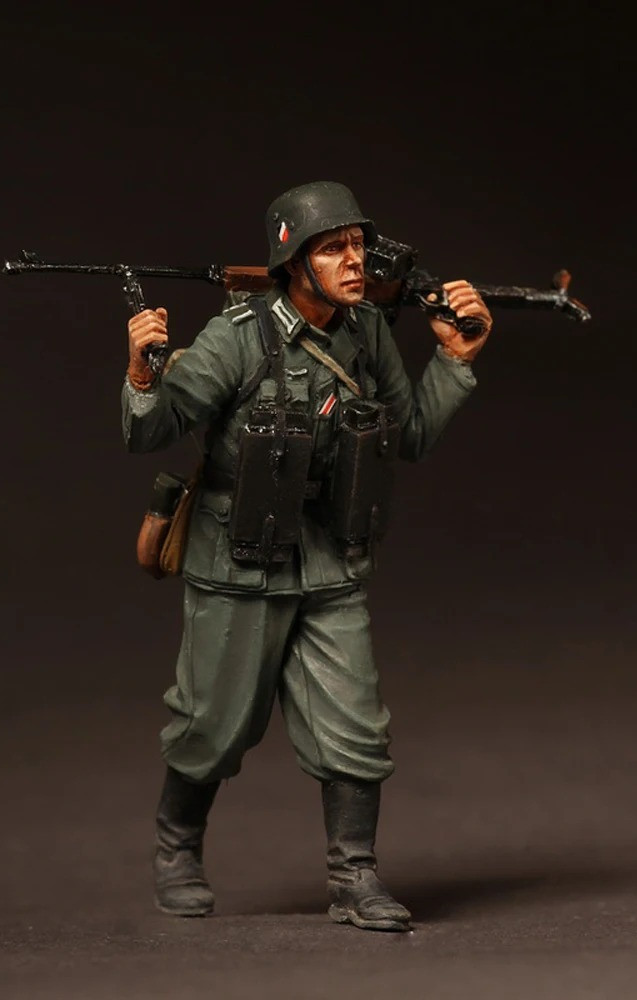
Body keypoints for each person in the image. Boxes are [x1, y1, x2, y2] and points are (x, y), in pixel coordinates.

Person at [122, 181, 492, 932]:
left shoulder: (367, 333)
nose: (354, 261)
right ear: (293, 262)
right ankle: (176, 847)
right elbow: (150, 432)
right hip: (238, 561)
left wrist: (453, 361)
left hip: (329, 558)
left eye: (358, 245)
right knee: (211, 725)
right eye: (333, 249)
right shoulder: (235, 337)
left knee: (356, 723)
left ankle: (354, 876)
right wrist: (140, 373)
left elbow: (409, 436)